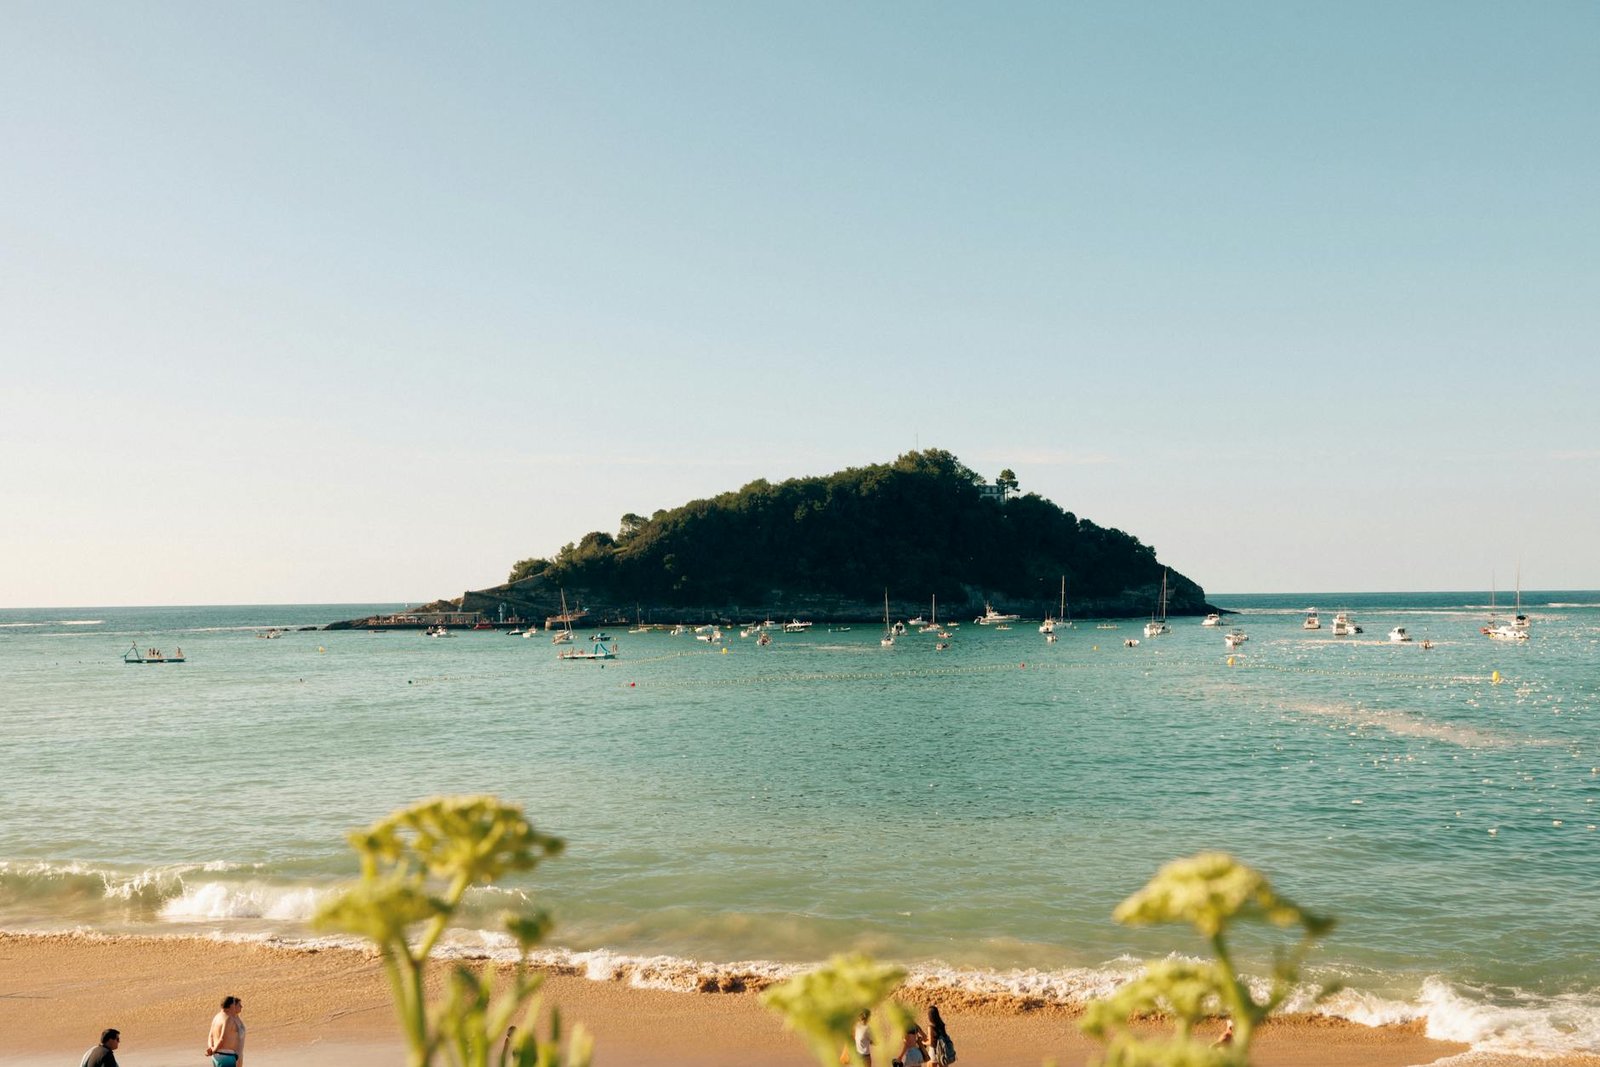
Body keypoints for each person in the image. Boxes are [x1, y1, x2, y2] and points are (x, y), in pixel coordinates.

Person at [206, 995, 246, 1066]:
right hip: (226, 1055)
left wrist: (211, 1048)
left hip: (216, 1055)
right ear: (230, 1006)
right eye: (234, 1004)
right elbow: (222, 1038)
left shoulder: (216, 1017)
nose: (235, 1006)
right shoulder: (228, 1018)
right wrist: (213, 1050)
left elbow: (210, 1036)